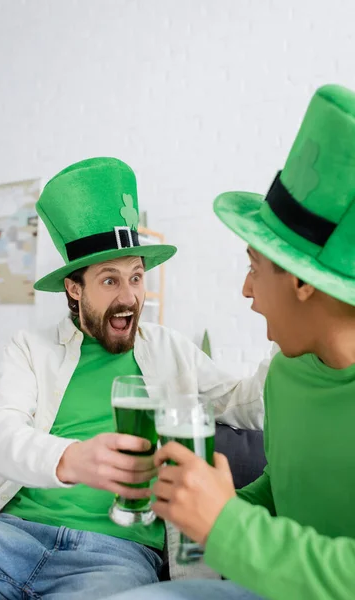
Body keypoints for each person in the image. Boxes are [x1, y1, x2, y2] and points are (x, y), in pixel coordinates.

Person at [0, 157, 269, 599]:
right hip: (3, 539)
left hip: (111, 556)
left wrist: (299, 333)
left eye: (136, 277)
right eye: (109, 280)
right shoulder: (31, 347)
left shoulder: (169, 350)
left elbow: (248, 403)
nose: (129, 297)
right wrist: (72, 459)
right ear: (74, 288)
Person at [108, 84, 355, 600]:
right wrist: (203, 506)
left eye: (254, 267)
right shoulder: (286, 376)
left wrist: (224, 525)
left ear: (301, 280)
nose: (246, 290)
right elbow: (286, 490)